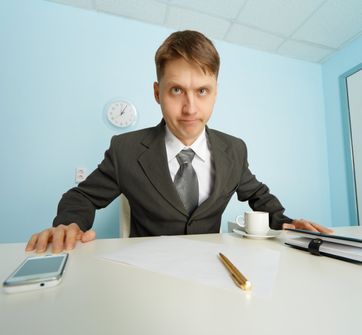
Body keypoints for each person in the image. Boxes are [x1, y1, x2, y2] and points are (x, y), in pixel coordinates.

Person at [26, 30, 332, 253]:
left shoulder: (234, 150)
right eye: (176, 91)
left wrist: (285, 221)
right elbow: (82, 197)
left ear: (215, 92)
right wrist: (69, 224)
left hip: (212, 269)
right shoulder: (126, 150)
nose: (190, 108)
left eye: (202, 91)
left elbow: (259, 196)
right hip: (145, 273)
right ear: (157, 93)